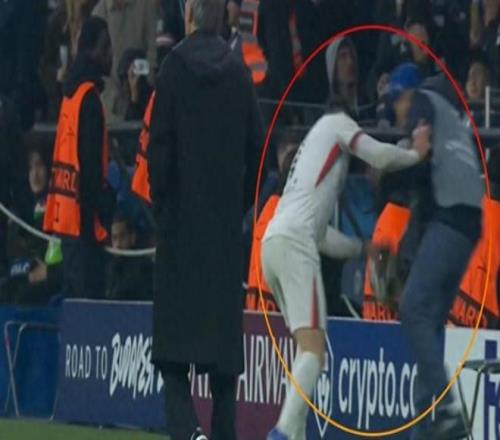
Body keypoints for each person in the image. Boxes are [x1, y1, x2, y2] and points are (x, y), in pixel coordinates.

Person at [262, 99, 431, 439]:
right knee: (314, 353)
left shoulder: (312, 156)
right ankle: (280, 435)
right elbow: (380, 156)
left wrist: (363, 249)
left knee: (304, 353)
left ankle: (293, 435)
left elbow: (323, 236)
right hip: (295, 245)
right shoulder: (336, 123)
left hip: (273, 244)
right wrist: (417, 153)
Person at [147, 0, 262, 438]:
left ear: (191, 13)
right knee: (223, 364)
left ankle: (189, 432)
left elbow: (159, 150)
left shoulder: (172, 70)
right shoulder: (238, 73)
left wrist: (163, 209)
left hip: (180, 233)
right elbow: (258, 148)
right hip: (222, 235)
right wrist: (237, 205)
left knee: (171, 355)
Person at [388, 74, 485, 438]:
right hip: (470, 221)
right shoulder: (451, 116)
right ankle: (423, 430)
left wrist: (386, 173)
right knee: (428, 326)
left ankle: (447, 409)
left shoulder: (422, 101)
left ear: (405, 95)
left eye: (396, 105)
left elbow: (419, 152)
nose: (398, 115)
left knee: (413, 309)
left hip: (451, 214)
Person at [43, 16, 115, 299]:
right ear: (95, 49)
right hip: (85, 225)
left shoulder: (70, 93)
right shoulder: (89, 98)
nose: (111, 54)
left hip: (66, 217)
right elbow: (90, 168)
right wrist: (104, 207)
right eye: (106, 47)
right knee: (90, 306)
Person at [0, 145, 63, 304]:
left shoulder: (60, 208)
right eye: (30, 168)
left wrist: (50, 272)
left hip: (52, 281)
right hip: (23, 275)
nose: (35, 174)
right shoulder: (23, 211)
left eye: (39, 166)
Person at [92, 0, 158, 121]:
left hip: (142, 94)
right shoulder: (99, 13)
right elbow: (97, 65)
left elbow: (152, 51)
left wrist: (146, 85)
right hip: (111, 100)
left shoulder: (146, 6)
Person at [105, 211, 153, 301]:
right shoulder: (111, 267)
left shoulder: (144, 267)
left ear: (132, 237)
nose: (118, 244)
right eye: (114, 238)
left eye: (122, 236)